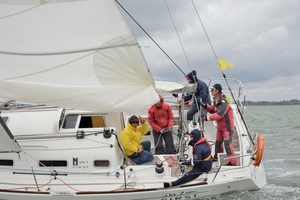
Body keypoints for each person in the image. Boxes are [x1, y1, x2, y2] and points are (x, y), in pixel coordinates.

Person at [201, 83, 237, 166]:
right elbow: (213, 110)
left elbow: (219, 115)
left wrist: (207, 118)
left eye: (212, 90)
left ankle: (233, 162)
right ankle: (216, 157)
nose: (211, 91)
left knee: (227, 144)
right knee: (218, 143)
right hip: (221, 127)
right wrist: (205, 106)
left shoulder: (223, 102)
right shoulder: (216, 100)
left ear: (217, 91)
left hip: (227, 127)